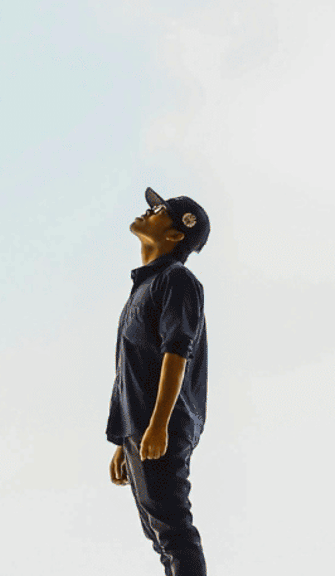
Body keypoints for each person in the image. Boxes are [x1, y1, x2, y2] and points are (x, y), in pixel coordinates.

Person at [107, 186, 212, 576]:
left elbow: (176, 352)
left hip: (160, 426)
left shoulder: (177, 281)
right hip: (141, 427)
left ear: (175, 235)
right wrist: (123, 437)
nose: (147, 212)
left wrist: (158, 424)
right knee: (158, 533)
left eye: (159, 211)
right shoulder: (143, 289)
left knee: (174, 532)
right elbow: (128, 370)